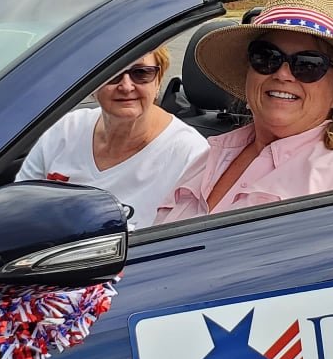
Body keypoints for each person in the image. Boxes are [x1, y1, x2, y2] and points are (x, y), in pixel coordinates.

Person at [157, 0, 333, 223]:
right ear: (249, 70)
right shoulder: (210, 157)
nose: (282, 74)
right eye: (267, 57)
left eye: (308, 65)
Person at [18, 44, 209, 224]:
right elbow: (19, 210)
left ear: (158, 80)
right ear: (92, 83)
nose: (126, 86)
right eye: (113, 73)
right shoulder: (64, 132)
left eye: (141, 73)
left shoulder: (191, 156)